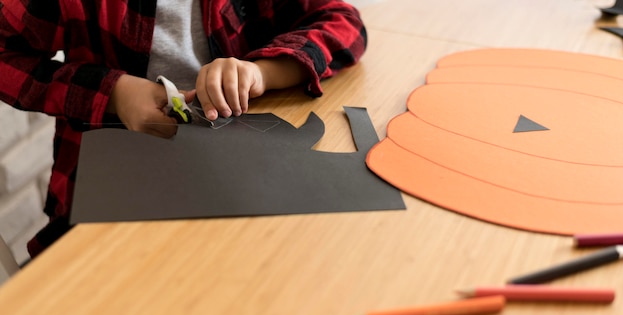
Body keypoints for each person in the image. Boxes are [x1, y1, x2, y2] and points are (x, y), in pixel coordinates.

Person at [0, 0, 367, 258]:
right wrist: (112, 92)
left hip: (241, 178)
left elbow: (343, 21)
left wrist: (261, 72)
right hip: (106, 193)